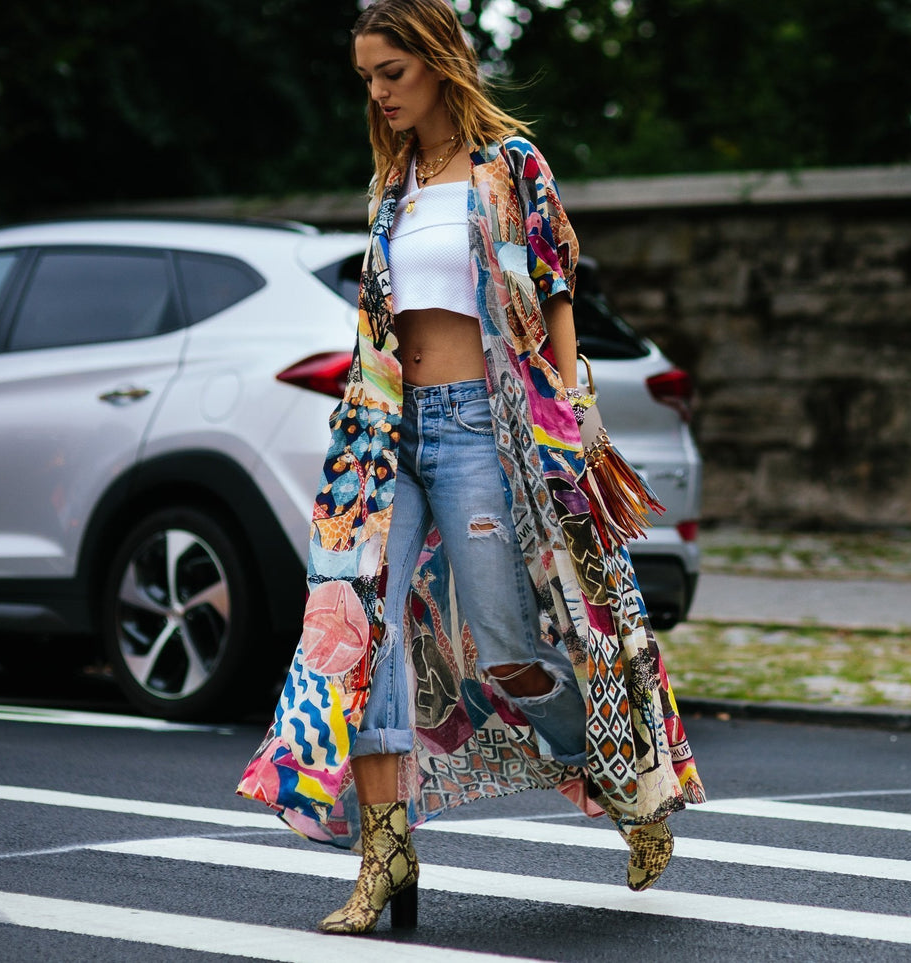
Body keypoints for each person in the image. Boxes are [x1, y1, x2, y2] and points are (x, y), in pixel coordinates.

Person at [236, 0, 704, 935]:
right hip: (385, 439)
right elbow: (379, 322)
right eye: (366, 77)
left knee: (508, 650)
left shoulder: (512, 166)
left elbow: (555, 282)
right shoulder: (392, 185)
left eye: (390, 72)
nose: (377, 92)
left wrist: (570, 404)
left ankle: (627, 782)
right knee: (358, 647)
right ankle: (385, 855)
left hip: (483, 432)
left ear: (440, 61)